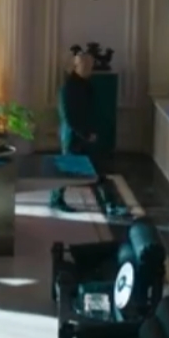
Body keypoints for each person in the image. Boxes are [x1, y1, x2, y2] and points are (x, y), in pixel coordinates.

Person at [52, 46, 100, 213]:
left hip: (83, 133)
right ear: (76, 66)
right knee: (67, 169)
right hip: (73, 135)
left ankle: (106, 200)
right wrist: (85, 133)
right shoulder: (69, 87)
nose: (89, 69)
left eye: (91, 66)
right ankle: (56, 199)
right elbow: (68, 116)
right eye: (85, 66)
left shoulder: (86, 85)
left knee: (94, 168)